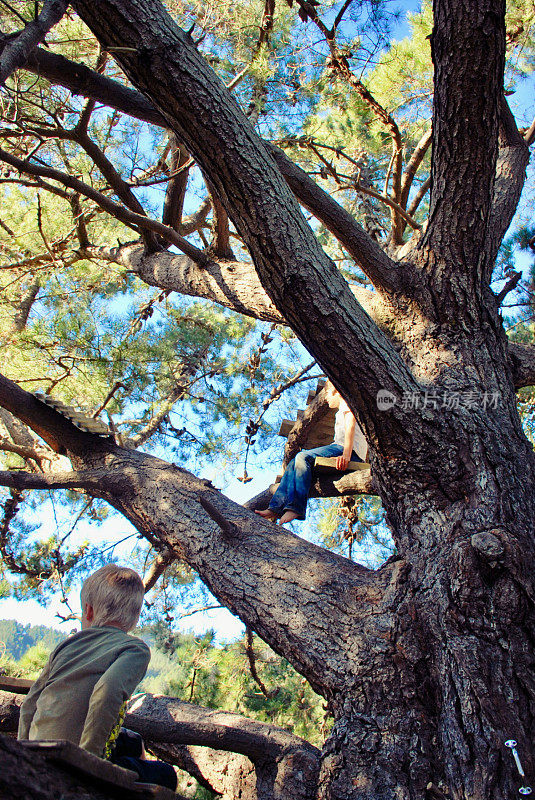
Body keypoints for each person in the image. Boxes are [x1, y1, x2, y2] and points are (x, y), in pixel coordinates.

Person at [17, 563, 177, 792]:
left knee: (133, 741)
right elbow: (107, 692)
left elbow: (30, 703)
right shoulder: (134, 648)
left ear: (88, 611)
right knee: (166, 774)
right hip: (76, 756)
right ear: (135, 618)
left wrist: (23, 752)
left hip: (40, 747)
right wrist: (88, 761)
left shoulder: (65, 646)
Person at [256, 381, 367, 525]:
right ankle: (275, 508)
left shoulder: (346, 402)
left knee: (302, 456)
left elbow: (351, 423)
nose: (326, 398)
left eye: (327, 393)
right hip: (343, 448)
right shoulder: (340, 410)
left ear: (337, 392)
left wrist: (346, 454)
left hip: (349, 451)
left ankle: (296, 507)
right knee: (293, 464)